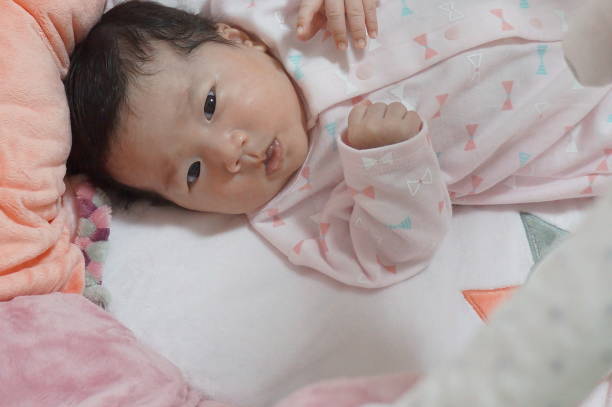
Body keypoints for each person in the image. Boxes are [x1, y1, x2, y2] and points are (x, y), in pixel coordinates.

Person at [66, 0, 612, 288]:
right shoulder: (297, 214)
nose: (227, 154)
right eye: (190, 173)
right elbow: (391, 254)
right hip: (579, 117)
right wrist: (390, 167)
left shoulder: (274, 12)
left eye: (210, 105)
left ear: (236, 40)